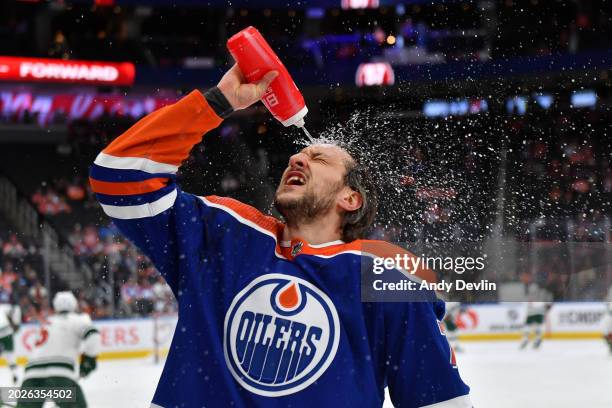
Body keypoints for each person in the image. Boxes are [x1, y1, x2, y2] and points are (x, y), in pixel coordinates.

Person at [89, 64, 471, 407]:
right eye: (298, 155)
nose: (296, 158)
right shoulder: (224, 232)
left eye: (319, 159)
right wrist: (217, 103)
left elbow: (440, 403)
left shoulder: (386, 281)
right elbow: (118, 176)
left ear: (350, 198)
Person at [17, 292, 100, 408]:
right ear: (74, 305)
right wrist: (89, 360)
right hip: (60, 375)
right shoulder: (78, 319)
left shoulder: (46, 323)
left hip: (31, 376)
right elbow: (93, 335)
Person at [0, 300, 21, 383]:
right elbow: (16, 308)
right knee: (10, 357)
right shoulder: (4, 306)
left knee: (10, 357)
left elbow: (16, 308)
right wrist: (16, 323)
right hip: (7, 332)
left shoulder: (4, 306)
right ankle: (15, 374)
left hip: (6, 331)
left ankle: (15, 374)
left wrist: (15, 323)